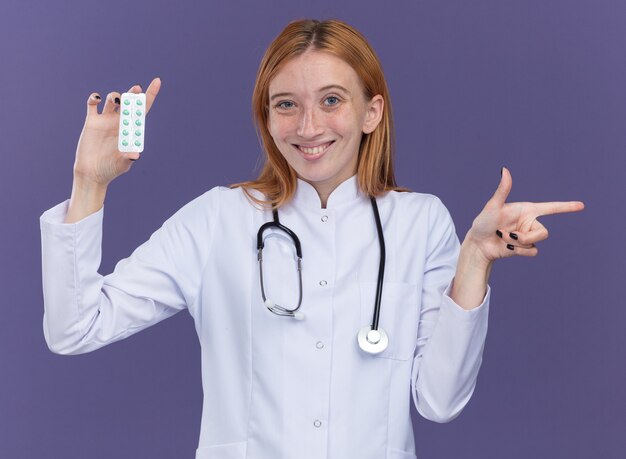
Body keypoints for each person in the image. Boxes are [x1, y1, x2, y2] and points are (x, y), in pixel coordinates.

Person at [39, 18, 584, 459]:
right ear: (267, 116)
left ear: (371, 112)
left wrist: (476, 259)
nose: (307, 127)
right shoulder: (217, 219)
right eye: (286, 104)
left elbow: (439, 401)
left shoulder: (420, 222)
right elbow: (74, 328)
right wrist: (89, 184)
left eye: (330, 100)